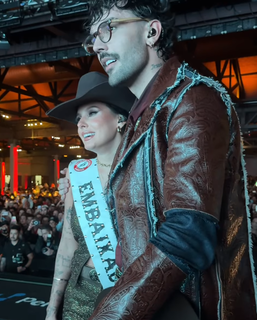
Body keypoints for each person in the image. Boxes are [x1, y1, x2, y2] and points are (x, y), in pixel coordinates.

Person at [62, 0, 257, 319]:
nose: (97, 45)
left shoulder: (192, 99)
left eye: (107, 29)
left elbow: (188, 234)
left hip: (190, 310)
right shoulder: (144, 117)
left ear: (151, 31)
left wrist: (112, 313)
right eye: (93, 37)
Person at [45, 72, 135, 320]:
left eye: (92, 112)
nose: (81, 124)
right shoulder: (76, 175)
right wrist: (52, 309)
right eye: (78, 118)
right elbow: (67, 244)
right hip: (78, 296)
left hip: (130, 297)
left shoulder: (144, 172)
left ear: (120, 119)